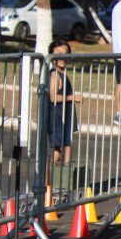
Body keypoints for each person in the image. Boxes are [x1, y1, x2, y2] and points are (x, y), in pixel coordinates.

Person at [47, 40, 79, 170]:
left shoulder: (62, 75)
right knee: (56, 152)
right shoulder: (54, 75)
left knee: (67, 146)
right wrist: (72, 97)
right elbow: (53, 97)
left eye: (65, 54)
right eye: (58, 54)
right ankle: (45, 180)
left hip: (65, 117)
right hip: (57, 118)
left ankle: (65, 178)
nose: (62, 58)